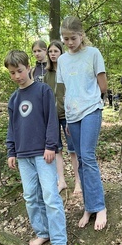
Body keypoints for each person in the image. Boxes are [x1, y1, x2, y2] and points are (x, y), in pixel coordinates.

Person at [5, 49, 68, 245]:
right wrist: (11, 151)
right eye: (12, 73)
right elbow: (12, 127)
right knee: (31, 197)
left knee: (50, 196)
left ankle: (59, 241)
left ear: (29, 67)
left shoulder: (42, 91)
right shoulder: (14, 99)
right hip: (23, 155)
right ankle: (43, 232)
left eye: (19, 71)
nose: (16, 76)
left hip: (43, 153)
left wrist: (51, 146)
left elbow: (52, 120)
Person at [57, 16, 108, 231]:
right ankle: (89, 206)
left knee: (87, 156)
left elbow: (103, 85)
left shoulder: (93, 53)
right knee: (79, 160)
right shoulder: (62, 60)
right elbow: (65, 90)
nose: (69, 42)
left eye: (73, 38)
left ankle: (100, 207)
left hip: (91, 109)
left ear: (82, 35)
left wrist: (95, 99)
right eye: (66, 39)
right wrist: (67, 116)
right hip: (72, 114)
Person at [32, 39, 82, 194]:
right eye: (51, 51)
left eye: (56, 51)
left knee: (73, 150)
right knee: (57, 150)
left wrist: (71, 113)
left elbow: (73, 93)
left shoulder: (67, 70)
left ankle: (78, 182)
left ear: (61, 52)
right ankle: (61, 181)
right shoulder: (47, 74)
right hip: (51, 117)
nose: (53, 54)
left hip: (68, 115)